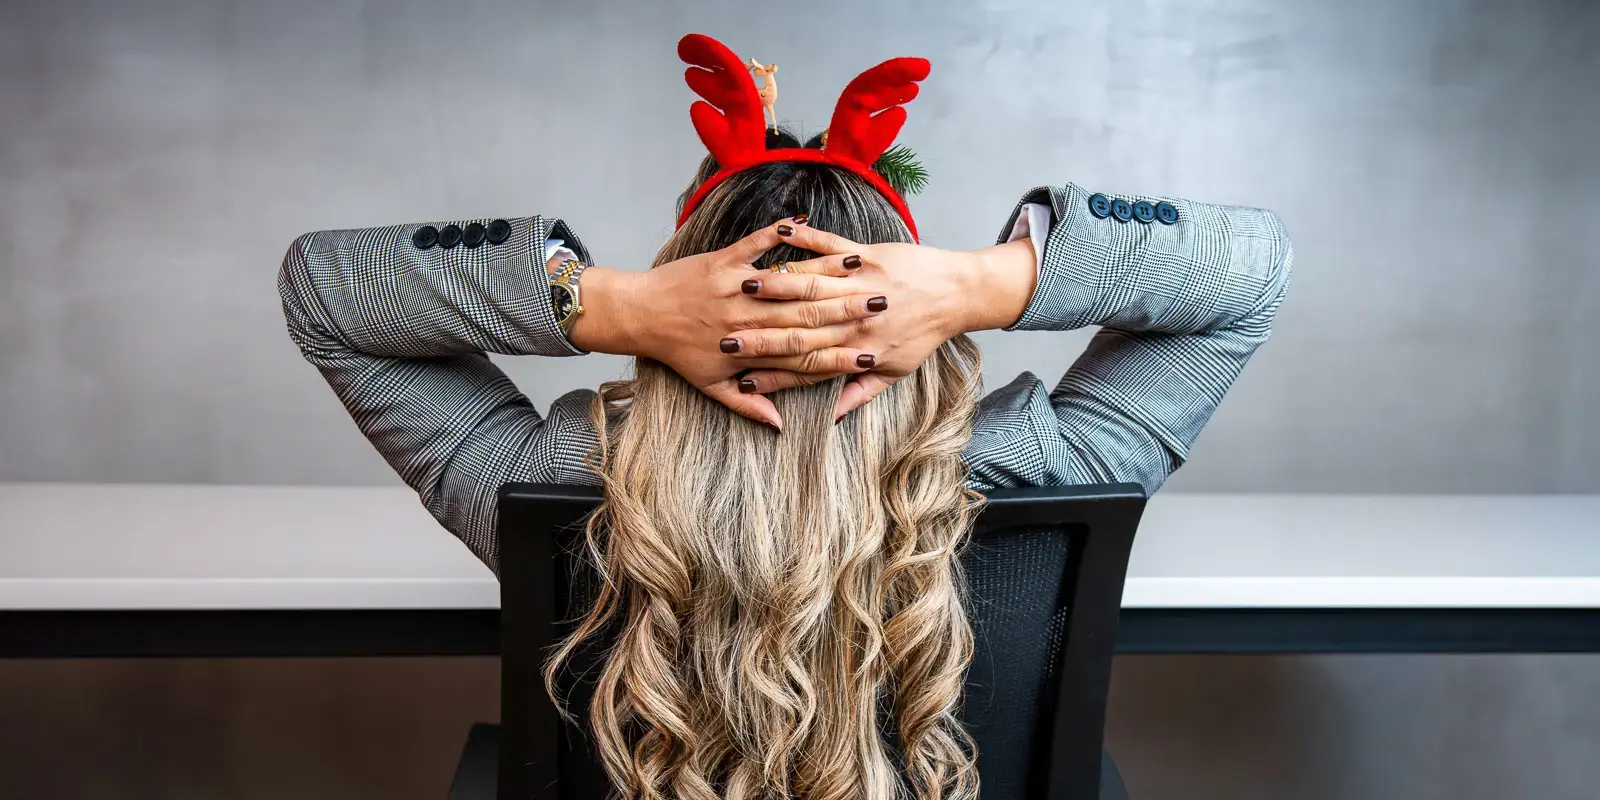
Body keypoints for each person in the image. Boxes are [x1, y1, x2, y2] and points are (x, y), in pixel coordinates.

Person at [277, 34, 1291, 800]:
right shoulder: (1047, 468)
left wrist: (609, 304)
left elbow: (326, 293)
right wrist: (986, 284)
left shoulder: (558, 481)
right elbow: (1249, 274)